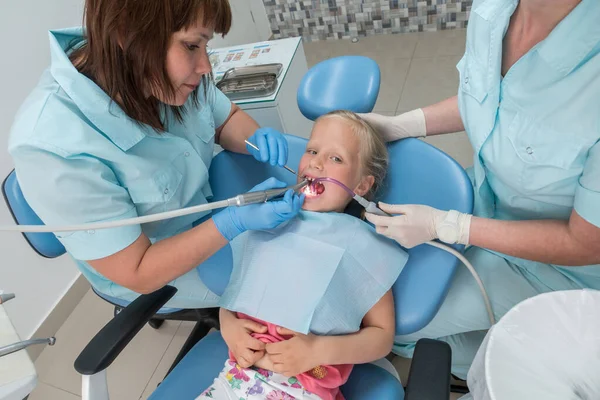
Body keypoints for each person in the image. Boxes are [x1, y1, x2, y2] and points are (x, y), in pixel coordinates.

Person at [7, 0, 303, 309]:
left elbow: (225, 118)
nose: (204, 66)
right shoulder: (51, 147)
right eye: (191, 45)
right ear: (125, 33)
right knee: (291, 289)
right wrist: (232, 223)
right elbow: (138, 271)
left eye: (205, 44)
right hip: (153, 266)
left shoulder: (158, 68)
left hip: (211, 207)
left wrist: (253, 137)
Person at [360, 0, 600, 379]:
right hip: (487, 199)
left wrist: (451, 227)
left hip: (556, 269)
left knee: (400, 327)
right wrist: (402, 125)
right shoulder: (496, 9)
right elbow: (491, 99)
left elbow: (586, 242)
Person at [200, 111, 402, 400]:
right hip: (234, 380)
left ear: (361, 186)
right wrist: (228, 326)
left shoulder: (364, 245)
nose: (317, 162)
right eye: (312, 150)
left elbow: (382, 336)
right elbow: (234, 294)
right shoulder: (267, 220)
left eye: (336, 159)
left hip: (305, 387)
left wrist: (317, 351)